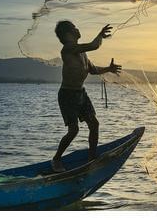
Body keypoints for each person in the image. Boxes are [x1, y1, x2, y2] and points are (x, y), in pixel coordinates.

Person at [51, 21, 122, 173]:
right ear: (68, 34)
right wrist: (100, 35)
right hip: (67, 94)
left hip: (80, 93)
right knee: (73, 130)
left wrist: (108, 69)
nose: (78, 29)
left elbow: (93, 70)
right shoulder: (68, 49)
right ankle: (56, 159)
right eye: (75, 27)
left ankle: (91, 158)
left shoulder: (82, 53)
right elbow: (94, 45)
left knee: (94, 124)